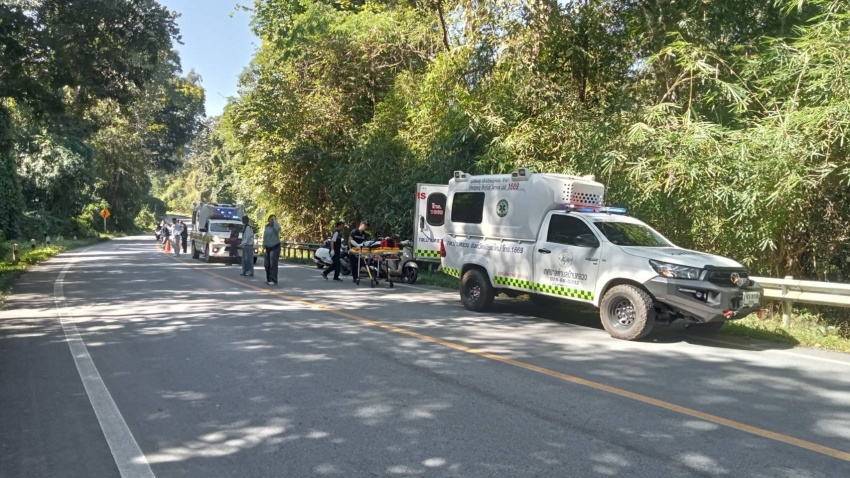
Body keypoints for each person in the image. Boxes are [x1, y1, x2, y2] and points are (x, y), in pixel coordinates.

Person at [348, 220, 369, 284]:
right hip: (353, 250)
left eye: (366, 226)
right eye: (365, 225)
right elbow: (350, 240)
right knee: (353, 264)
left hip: (360, 251)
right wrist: (350, 249)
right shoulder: (354, 231)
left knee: (361, 263)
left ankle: (357, 275)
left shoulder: (364, 234)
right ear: (361, 225)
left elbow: (365, 243)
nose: (366, 227)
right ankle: (355, 277)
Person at [263, 215, 281, 285]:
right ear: (268, 220)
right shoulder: (267, 227)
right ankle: (268, 278)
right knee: (266, 264)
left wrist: (275, 221)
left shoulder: (275, 227)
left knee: (273, 264)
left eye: (273, 219)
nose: (272, 221)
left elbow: (278, 228)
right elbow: (265, 237)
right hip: (268, 247)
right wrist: (264, 245)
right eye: (271, 219)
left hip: (275, 247)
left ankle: (273, 279)